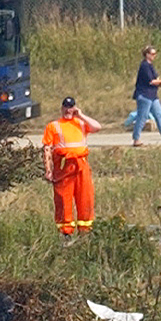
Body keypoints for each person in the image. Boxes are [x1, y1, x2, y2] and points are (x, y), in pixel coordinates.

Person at [42, 96, 101, 239]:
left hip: (81, 166)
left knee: (85, 198)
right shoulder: (53, 126)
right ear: (61, 108)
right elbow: (47, 149)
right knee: (63, 199)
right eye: (66, 107)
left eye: (71, 107)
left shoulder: (81, 123)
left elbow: (97, 127)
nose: (68, 110)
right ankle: (65, 233)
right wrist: (48, 170)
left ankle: (85, 232)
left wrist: (80, 114)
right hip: (63, 167)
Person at [129, 45, 161, 147]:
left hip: (152, 96)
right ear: (147, 55)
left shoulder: (150, 66)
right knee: (142, 117)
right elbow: (151, 81)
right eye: (152, 54)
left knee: (159, 115)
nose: (154, 56)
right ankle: (136, 139)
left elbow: (156, 78)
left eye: (155, 53)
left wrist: (160, 83)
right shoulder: (144, 66)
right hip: (144, 95)